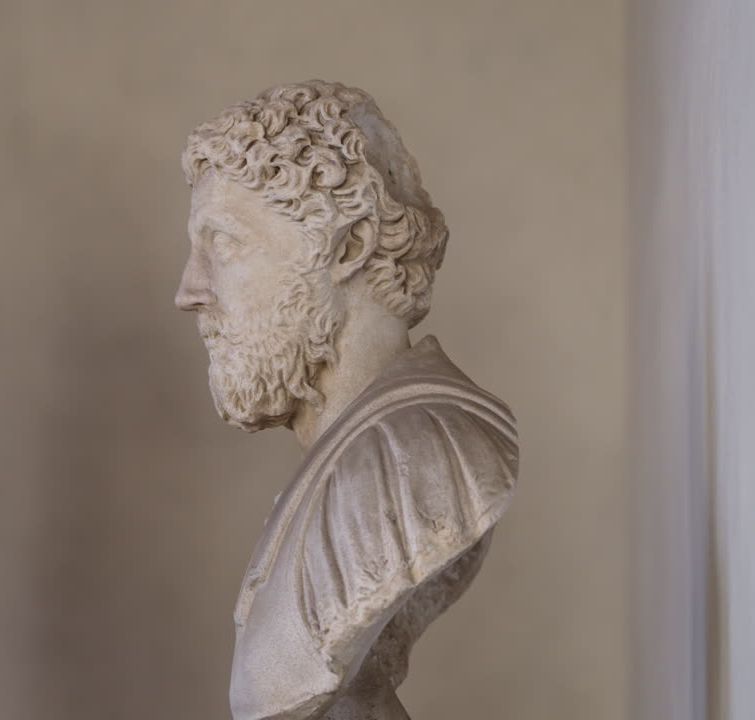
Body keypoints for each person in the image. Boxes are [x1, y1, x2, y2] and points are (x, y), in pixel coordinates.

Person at [176, 81, 519, 720]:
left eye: (221, 242)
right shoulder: (344, 461)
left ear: (349, 247)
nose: (188, 291)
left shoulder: (420, 453)